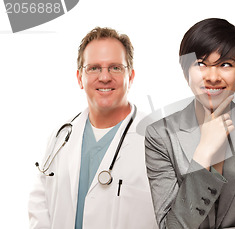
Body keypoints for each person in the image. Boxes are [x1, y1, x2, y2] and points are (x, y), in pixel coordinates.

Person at [144, 18, 235, 229]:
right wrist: (203, 154)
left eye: (225, 64)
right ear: (186, 72)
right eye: (201, 64)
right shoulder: (160, 135)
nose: (212, 77)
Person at [28, 27, 157, 229]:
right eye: (94, 68)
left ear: (130, 77)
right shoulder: (61, 136)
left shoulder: (156, 139)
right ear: (80, 77)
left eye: (115, 67)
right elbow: (39, 203)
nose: (104, 77)